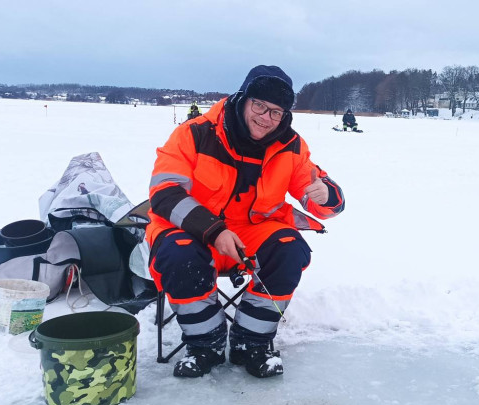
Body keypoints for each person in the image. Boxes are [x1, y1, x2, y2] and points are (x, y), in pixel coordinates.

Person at [146, 65, 346, 379]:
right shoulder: (195, 133)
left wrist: (328, 195)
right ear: (243, 99)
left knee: (290, 248)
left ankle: (251, 342)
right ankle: (205, 344)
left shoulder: (291, 147)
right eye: (260, 106)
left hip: (250, 234)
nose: (267, 118)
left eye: (277, 112)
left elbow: (323, 199)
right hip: (191, 230)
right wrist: (213, 231)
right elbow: (165, 192)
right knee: (178, 253)